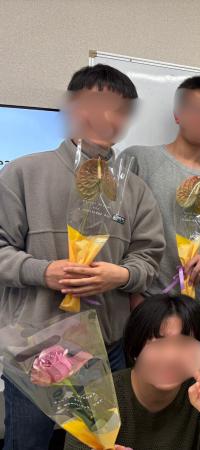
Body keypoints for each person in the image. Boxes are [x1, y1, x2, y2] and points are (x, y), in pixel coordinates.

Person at [0, 64, 165, 450]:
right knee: (28, 443)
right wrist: (43, 272)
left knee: (104, 444)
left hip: (106, 346)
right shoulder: (23, 173)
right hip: (33, 347)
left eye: (120, 110)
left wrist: (121, 276)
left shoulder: (134, 189)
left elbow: (148, 258)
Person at [63, 294, 200, 450]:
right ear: (135, 348)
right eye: (158, 343)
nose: (171, 357)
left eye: (184, 344)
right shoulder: (97, 397)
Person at [122, 76, 200, 337]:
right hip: (146, 301)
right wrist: (133, 293)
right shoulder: (138, 159)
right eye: (195, 109)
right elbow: (117, 228)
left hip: (197, 306)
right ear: (178, 114)